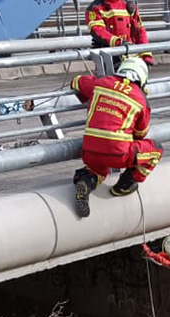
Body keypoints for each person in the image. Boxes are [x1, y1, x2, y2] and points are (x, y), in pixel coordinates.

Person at [70, 57, 163, 218]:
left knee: (97, 169)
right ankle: (124, 185)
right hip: (119, 153)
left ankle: (85, 181)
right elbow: (141, 134)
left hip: (89, 148)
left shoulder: (100, 82)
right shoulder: (141, 99)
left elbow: (76, 82)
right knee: (156, 148)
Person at [87, 0, 153, 67]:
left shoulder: (128, 6)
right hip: (109, 60)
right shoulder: (96, 8)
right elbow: (98, 31)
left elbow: (140, 31)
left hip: (131, 59)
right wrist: (118, 42)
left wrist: (146, 55)